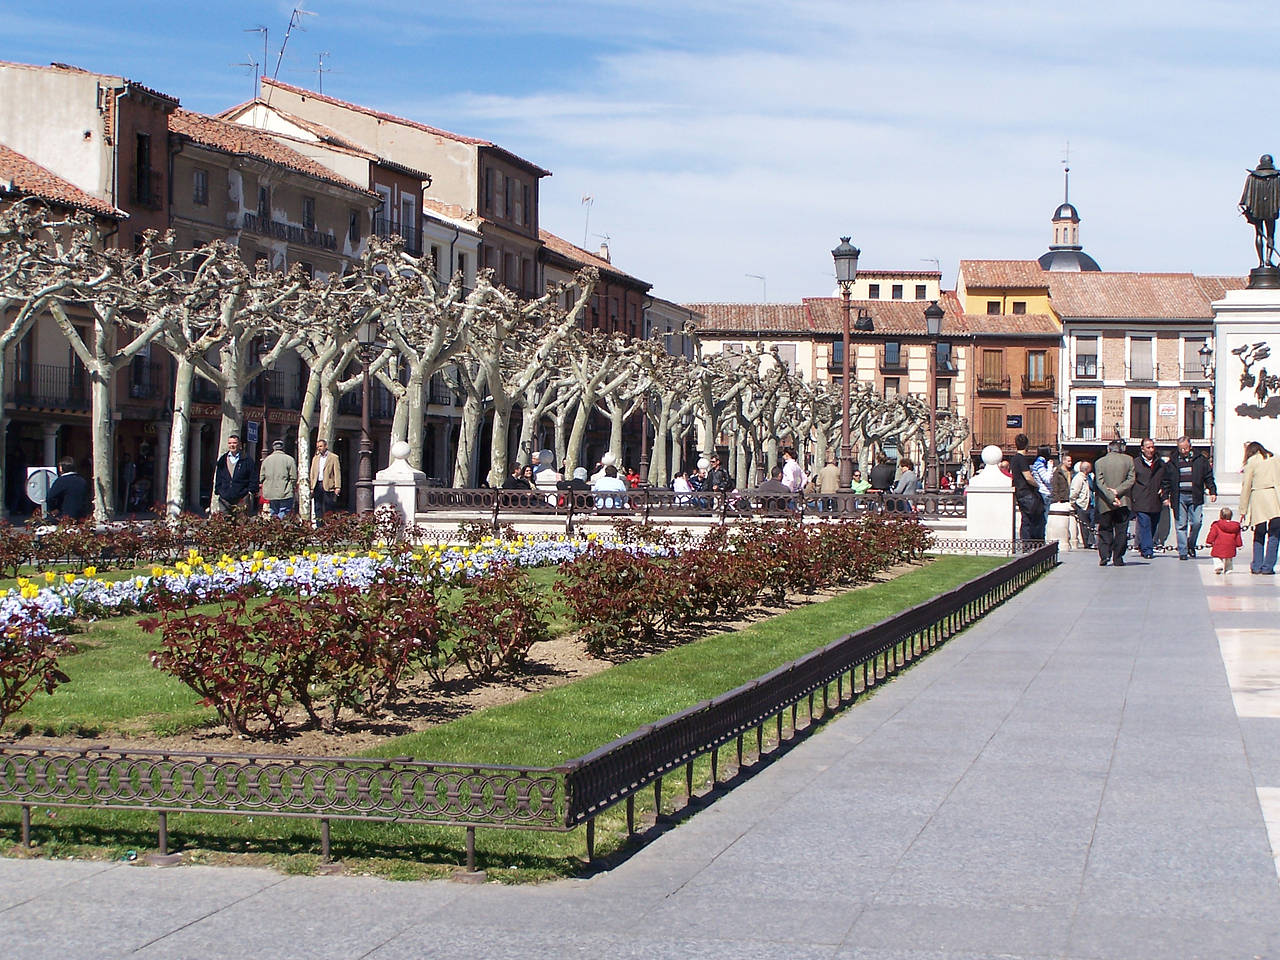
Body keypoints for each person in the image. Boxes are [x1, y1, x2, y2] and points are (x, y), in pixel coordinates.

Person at [1166, 436, 1217, 561]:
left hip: (1196, 495)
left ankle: (1191, 544)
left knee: (1197, 522)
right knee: (1181, 524)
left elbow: (1208, 476)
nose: (1183, 451)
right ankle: (1183, 551)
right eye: (1181, 449)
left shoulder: (1201, 460)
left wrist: (1212, 491)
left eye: (1185, 448)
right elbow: (1166, 480)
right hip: (1179, 496)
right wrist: (1165, 496)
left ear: (1190, 447)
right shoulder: (1172, 461)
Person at [1239, 440, 1280, 575]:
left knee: (1259, 533)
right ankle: (1268, 566)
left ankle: (1257, 565)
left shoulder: (1252, 461)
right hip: (1274, 498)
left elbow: (1246, 486)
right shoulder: (1274, 458)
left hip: (1258, 498)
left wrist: (1243, 509)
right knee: (1274, 534)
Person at [1093, 439, 1135, 566]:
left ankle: (1104, 555)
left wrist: (1110, 496)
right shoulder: (1129, 460)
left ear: (1108, 449)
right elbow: (1131, 479)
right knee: (1121, 530)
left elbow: (1099, 483)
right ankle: (1118, 558)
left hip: (1105, 502)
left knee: (1105, 529)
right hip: (1123, 501)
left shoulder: (1099, 462)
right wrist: (1117, 492)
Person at [1131, 437, 1171, 559]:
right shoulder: (1135, 463)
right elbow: (1131, 480)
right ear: (1142, 449)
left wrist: (1164, 494)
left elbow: (1166, 481)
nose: (1151, 450)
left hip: (1155, 499)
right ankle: (1148, 550)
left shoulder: (1160, 464)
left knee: (1153, 524)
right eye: (1148, 447)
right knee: (1144, 524)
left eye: (1152, 447)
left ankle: (1144, 546)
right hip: (1141, 499)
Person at [1240, 154, 1280, 268]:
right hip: (1271, 210)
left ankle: (1262, 262)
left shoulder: (1252, 177)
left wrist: (1245, 208)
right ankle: (1268, 259)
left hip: (1257, 210)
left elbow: (1245, 198)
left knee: (1259, 234)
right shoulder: (1277, 177)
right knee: (1270, 235)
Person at [213, 433, 258, 519]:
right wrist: (218, 490)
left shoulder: (247, 459)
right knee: (225, 524)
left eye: (234, 443)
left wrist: (251, 491)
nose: (232, 445)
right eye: (230, 443)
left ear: (239, 444)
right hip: (224, 498)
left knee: (241, 524)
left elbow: (253, 476)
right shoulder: (222, 459)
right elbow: (218, 476)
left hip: (241, 498)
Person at [1010, 434, 1045, 542]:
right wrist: (1038, 485)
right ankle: (1034, 543)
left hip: (1020, 493)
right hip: (1027, 493)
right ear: (1027, 445)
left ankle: (1026, 543)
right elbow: (1028, 477)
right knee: (1036, 519)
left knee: (1025, 519)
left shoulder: (1014, 459)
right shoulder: (1021, 459)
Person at [259, 439, 299, 518]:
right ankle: (280, 525)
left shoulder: (266, 460)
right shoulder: (289, 459)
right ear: (283, 448)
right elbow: (294, 477)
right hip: (285, 492)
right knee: (284, 512)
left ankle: (274, 527)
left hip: (270, 492)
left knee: (273, 511)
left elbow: (261, 477)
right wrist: (291, 486)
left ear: (273, 448)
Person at [45, 456, 91, 520]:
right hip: (81, 516)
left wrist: (54, 509)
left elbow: (50, 497)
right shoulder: (82, 481)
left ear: (61, 468)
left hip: (65, 516)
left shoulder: (61, 481)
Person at [309, 439, 341, 522]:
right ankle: (319, 525)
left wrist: (337, 487)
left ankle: (330, 524)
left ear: (326, 446)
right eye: (318, 447)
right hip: (317, 485)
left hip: (328, 485)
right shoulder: (315, 458)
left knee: (329, 507)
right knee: (317, 507)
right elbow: (312, 473)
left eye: (320, 446)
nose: (319, 448)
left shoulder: (333, 457)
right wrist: (311, 486)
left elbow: (337, 473)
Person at [1206, 507, 1243, 576]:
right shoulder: (1236, 526)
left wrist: (1209, 542)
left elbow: (1212, 534)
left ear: (1220, 515)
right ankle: (1228, 569)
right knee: (1229, 558)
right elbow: (1238, 536)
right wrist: (1239, 545)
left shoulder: (1216, 525)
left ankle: (1218, 566)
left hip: (1219, 545)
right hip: (1231, 545)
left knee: (1217, 557)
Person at [1070, 461, 1095, 549]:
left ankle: (1091, 541)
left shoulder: (1088, 477)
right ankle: (1087, 543)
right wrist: (1073, 502)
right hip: (1082, 504)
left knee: (1092, 523)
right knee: (1084, 525)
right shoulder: (1079, 478)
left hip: (1091, 503)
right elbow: (1074, 491)